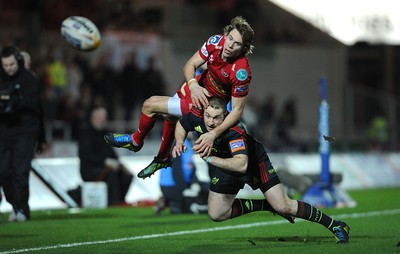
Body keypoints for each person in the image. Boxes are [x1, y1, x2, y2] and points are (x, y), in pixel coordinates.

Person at [171, 96, 350, 243]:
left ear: (225, 115)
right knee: (216, 214)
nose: (210, 122)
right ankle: (266, 205)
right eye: (208, 116)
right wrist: (179, 141)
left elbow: (241, 165)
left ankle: (335, 225)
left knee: (284, 206)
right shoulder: (198, 116)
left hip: (254, 163)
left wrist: (209, 158)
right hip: (226, 164)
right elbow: (181, 124)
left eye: (216, 117)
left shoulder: (234, 132)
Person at [104, 16, 255, 179]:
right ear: (226, 35)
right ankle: (161, 158)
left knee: (150, 105)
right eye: (230, 38)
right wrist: (193, 85)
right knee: (169, 115)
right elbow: (189, 65)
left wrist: (213, 133)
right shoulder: (215, 42)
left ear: (243, 48)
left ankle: (136, 141)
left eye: (237, 43)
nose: (230, 44)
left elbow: (237, 110)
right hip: (195, 88)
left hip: (205, 104)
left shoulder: (241, 72)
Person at [0, 45, 43, 222]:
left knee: (20, 171)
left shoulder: (29, 79)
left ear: (17, 61)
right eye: (5, 65)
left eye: (11, 64)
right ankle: (15, 204)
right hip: (4, 132)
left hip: (25, 132)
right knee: (3, 172)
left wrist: (13, 100)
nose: (9, 68)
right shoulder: (1, 79)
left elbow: (34, 105)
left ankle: (22, 209)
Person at [78, 107, 134, 206]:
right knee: (111, 174)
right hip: (90, 170)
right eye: (100, 118)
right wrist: (105, 162)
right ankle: (113, 202)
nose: (102, 120)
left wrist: (120, 165)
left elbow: (112, 153)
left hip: (106, 167)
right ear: (93, 117)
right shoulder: (85, 133)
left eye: (103, 118)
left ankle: (121, 200)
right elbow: (86, 155)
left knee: (127, 175)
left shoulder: (105, 134)